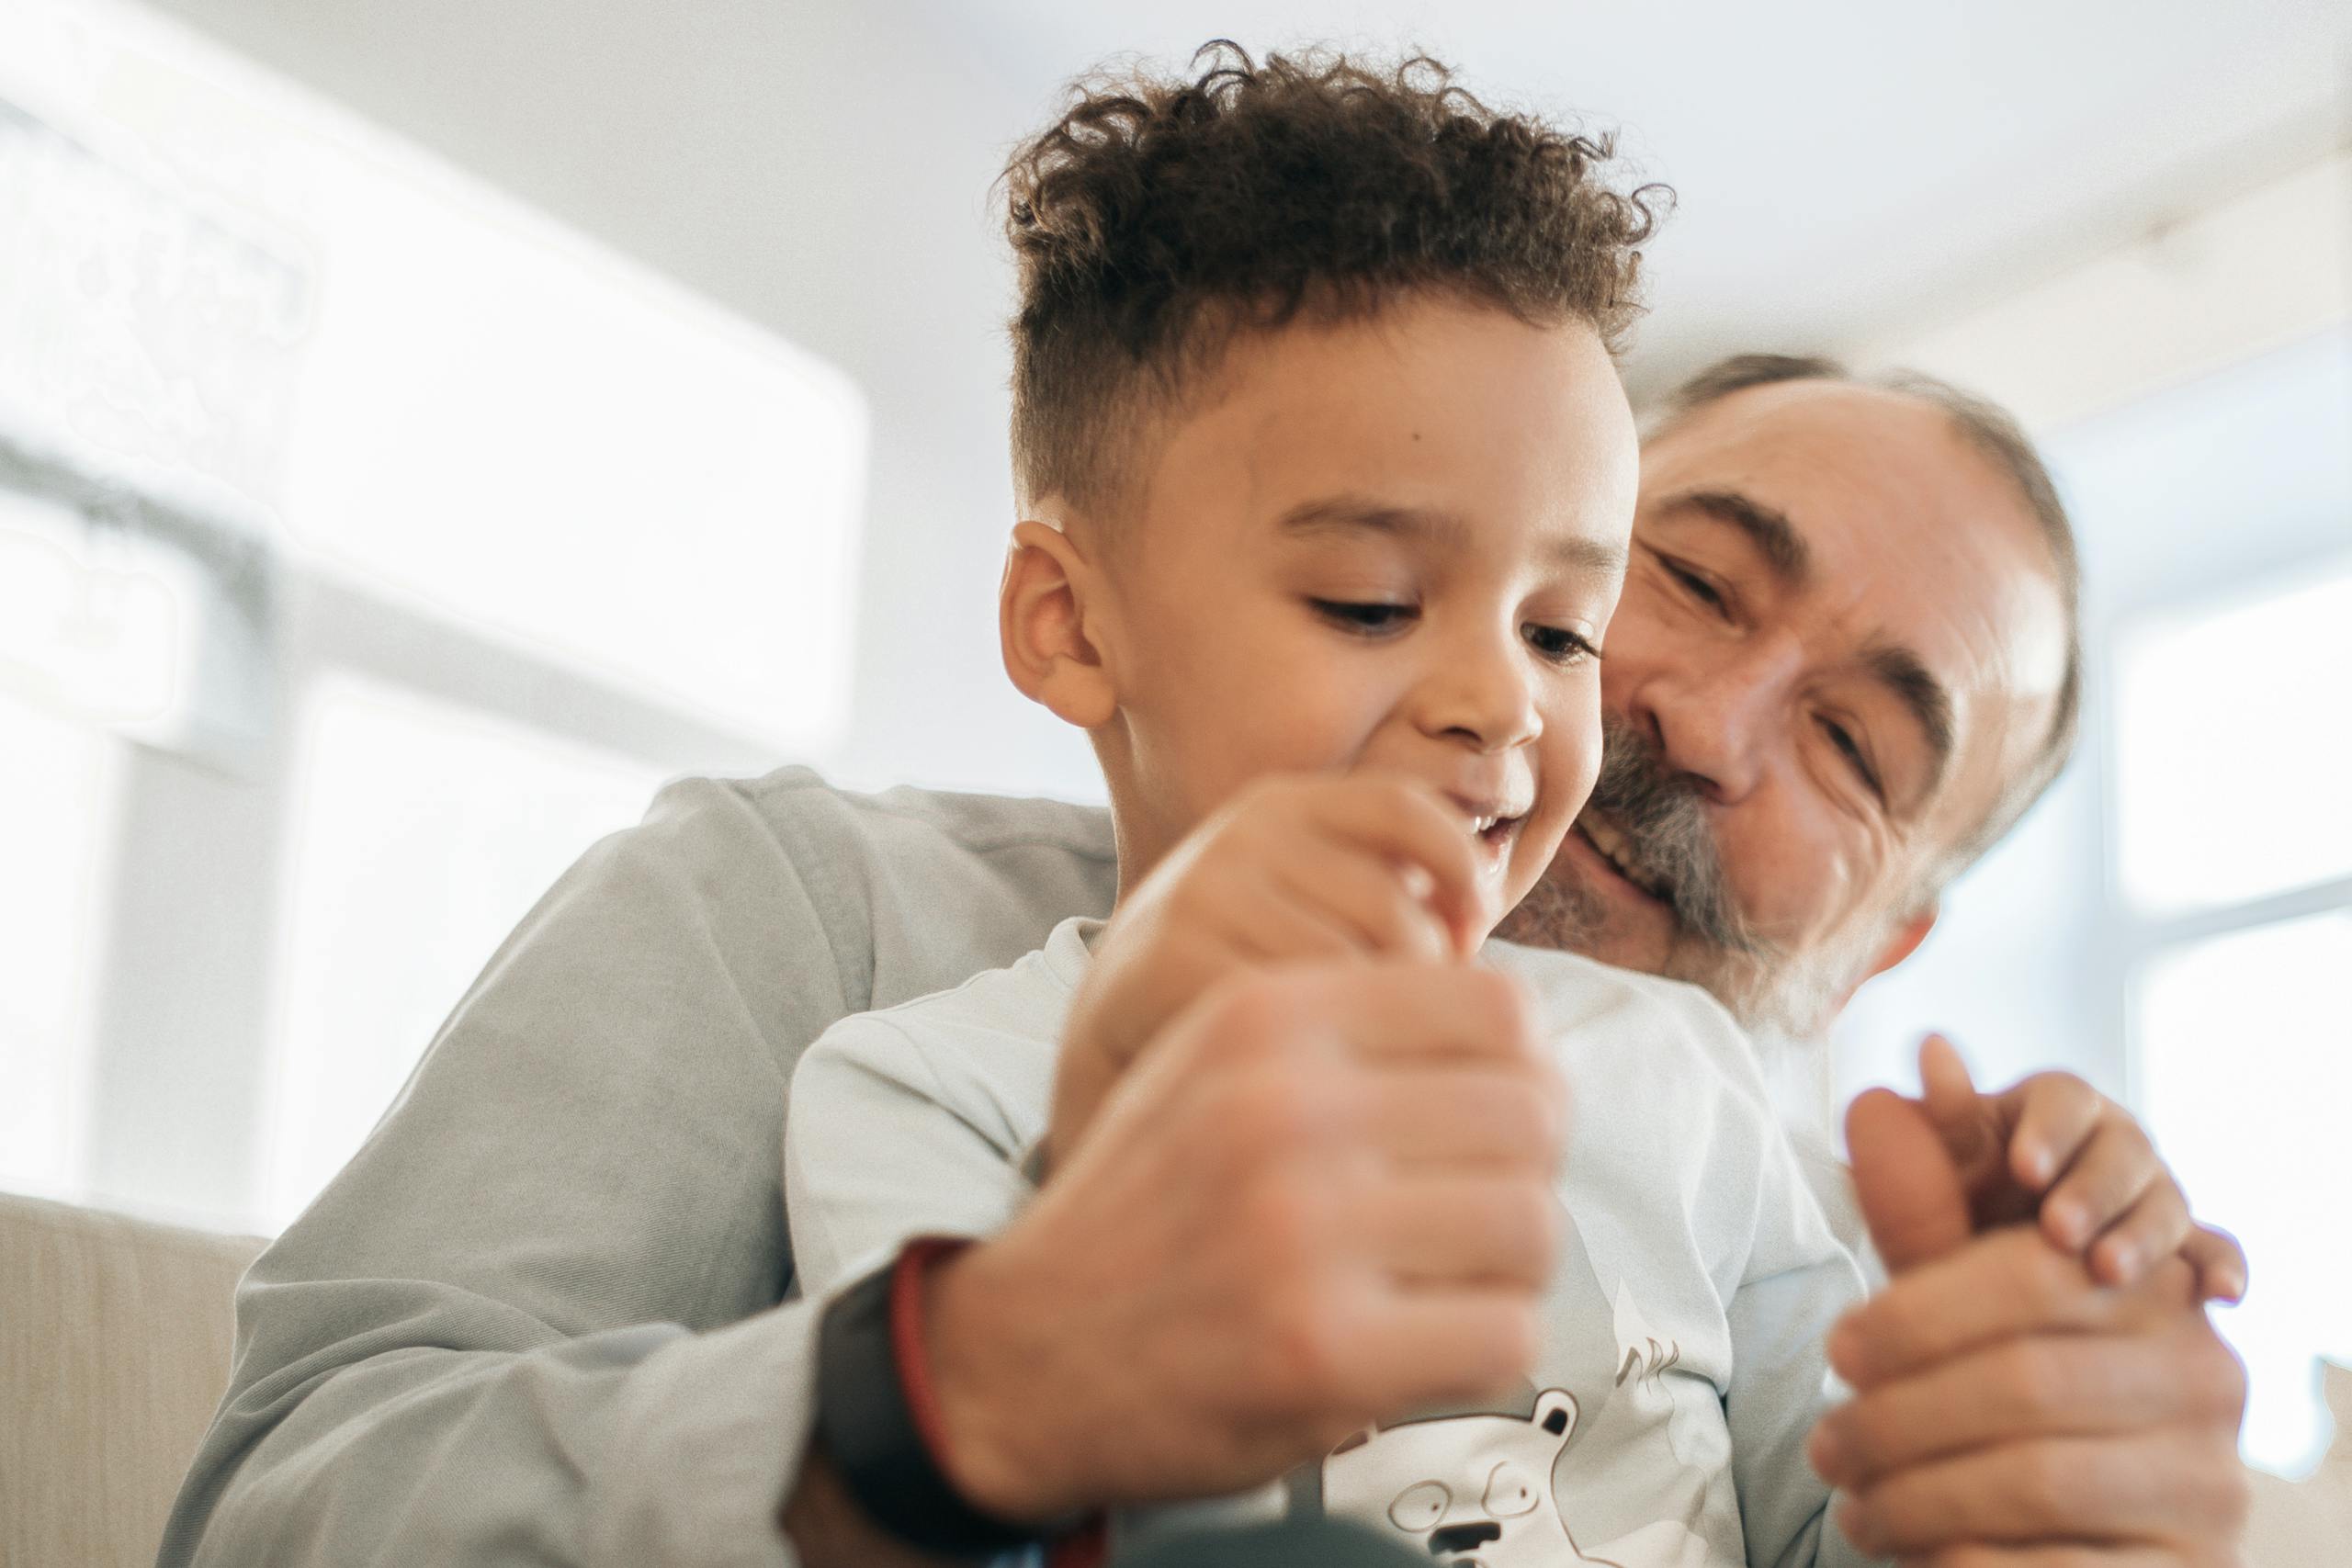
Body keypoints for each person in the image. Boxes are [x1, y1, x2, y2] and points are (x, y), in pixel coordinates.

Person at [159, 44, 2249, 1568]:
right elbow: (281, 1515)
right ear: (1075, 625)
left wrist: (2036, 1494)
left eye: (1858, 748)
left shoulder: (1724, 1144)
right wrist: (950, 1392)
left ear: (1880, 939)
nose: (1670, 718)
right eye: (1686, 585)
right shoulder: (820, 944)